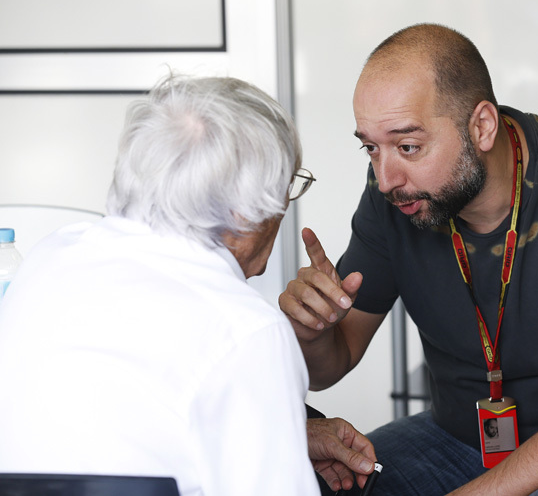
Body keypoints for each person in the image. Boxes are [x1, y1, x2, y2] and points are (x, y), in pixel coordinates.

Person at [279, 23, 538, 495]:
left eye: (408, 146)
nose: (386, 175)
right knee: (304, 481)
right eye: (371, 147)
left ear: (481, 126)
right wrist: (312, 332)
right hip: (457, 438)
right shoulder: (396, 194)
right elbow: (334, 363)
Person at [0, 75, 375, 495]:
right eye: (286, 189)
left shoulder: (52, 254)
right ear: (246, 212)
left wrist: (288, 432)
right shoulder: (245, 329)